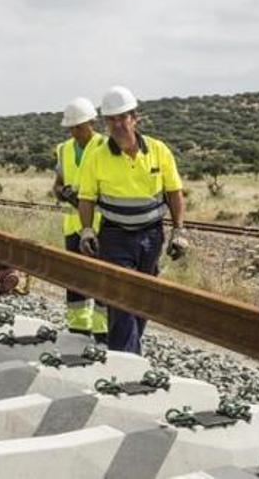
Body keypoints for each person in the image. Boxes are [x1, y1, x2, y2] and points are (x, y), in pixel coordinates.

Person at [77, 86, 188, 354]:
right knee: (122, 296)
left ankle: (130, 348)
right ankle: (126, 360)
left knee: (144, 297)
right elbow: (87, 197)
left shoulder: (159, 151)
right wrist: (88, 230)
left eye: (122, 118)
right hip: (115, 236)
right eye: (111, 120)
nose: (117, 125)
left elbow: (174, 193)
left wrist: (179, 231)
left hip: (151, 235)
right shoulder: (97, 156)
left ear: (134, 118)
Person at [53, 97, 109, 343]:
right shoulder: (64, 149)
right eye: (71, 128)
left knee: (100, 280)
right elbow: (57, 183)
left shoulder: (106, 147)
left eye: (79, 126)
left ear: (92, 123)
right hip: (73, 227)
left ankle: (103, 332)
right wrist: (62, 192)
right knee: (74, 280)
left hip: (99, 225)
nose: (74, 132)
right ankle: (78, 331)